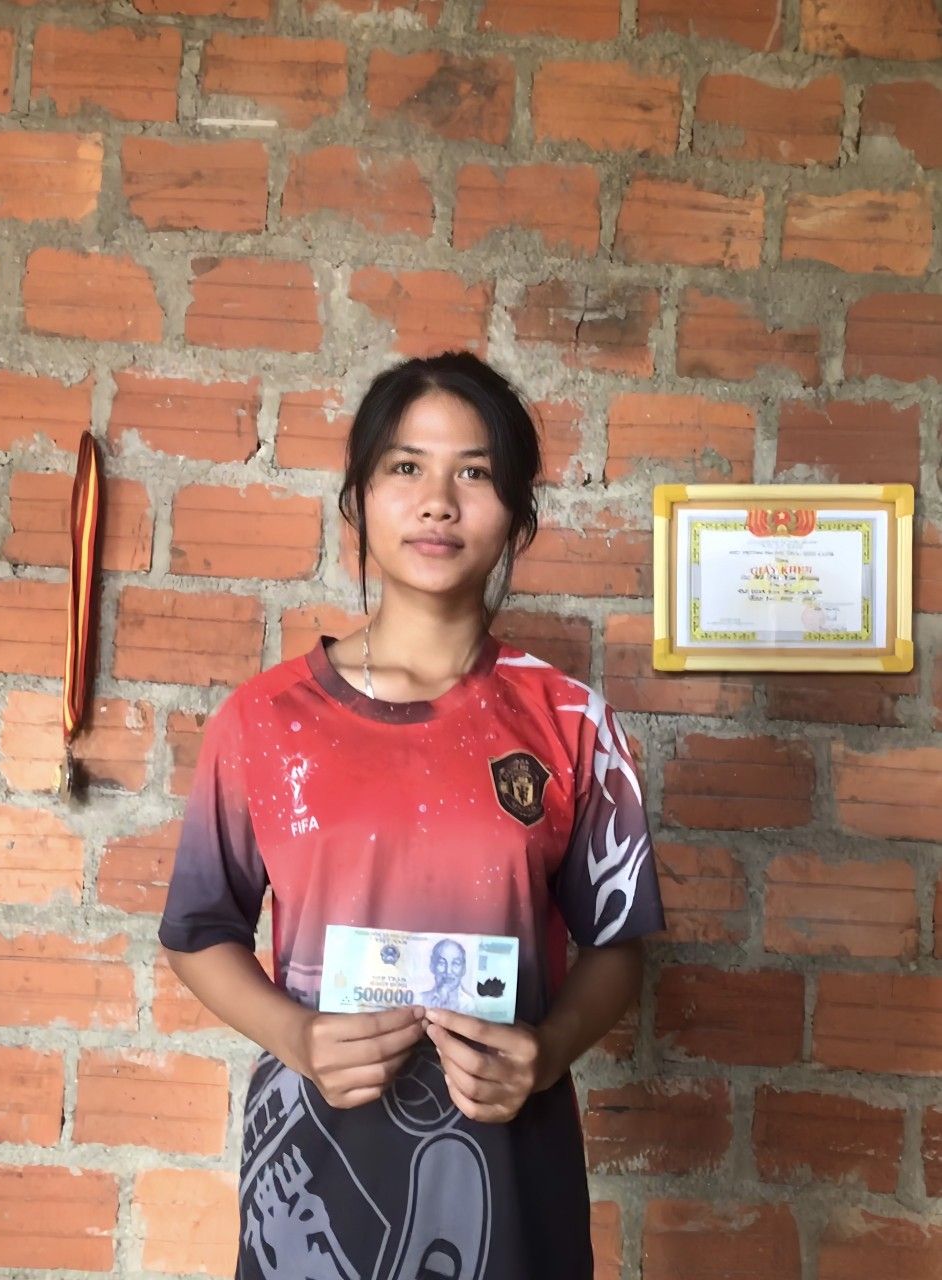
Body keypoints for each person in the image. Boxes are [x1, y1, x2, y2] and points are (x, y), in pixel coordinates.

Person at [158, 351, 665, 1280]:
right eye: (405, 467)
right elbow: (199, 931)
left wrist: (548, 1052)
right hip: (315, 1173)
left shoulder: (571, 723)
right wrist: (297, 1037)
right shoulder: (265, 721)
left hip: (509, 1173)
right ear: (357, 501)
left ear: (517, 512)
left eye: (474, 473)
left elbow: (618, 945)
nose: (438, 502)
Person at [419, 938, 476, 1013]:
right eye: (442, 963)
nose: (448, 971)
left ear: (463, 968)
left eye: (455, 963)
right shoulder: (420, 1000)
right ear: (432, 965)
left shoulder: (471, 1005)